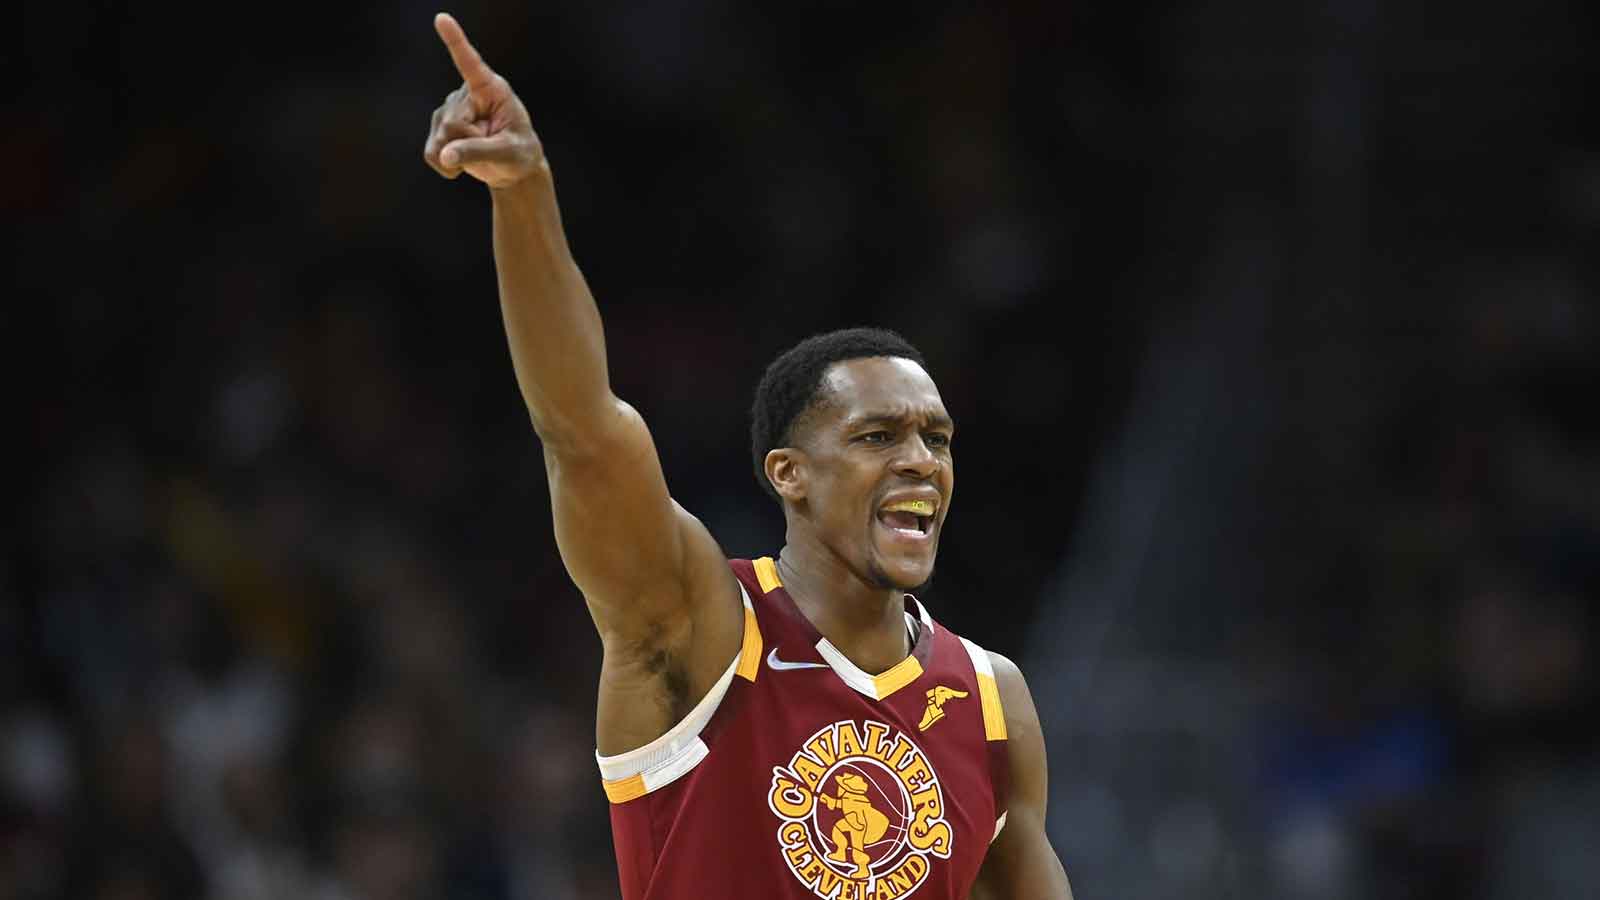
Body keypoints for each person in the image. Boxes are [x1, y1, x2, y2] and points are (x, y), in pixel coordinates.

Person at [421, 12, 1074, 899]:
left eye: (937, 438)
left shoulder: (994, 701)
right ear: (788, 474)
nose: (921, 459)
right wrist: (524, 194)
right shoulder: (699, 627)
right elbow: (581, 429)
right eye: (879, 436)